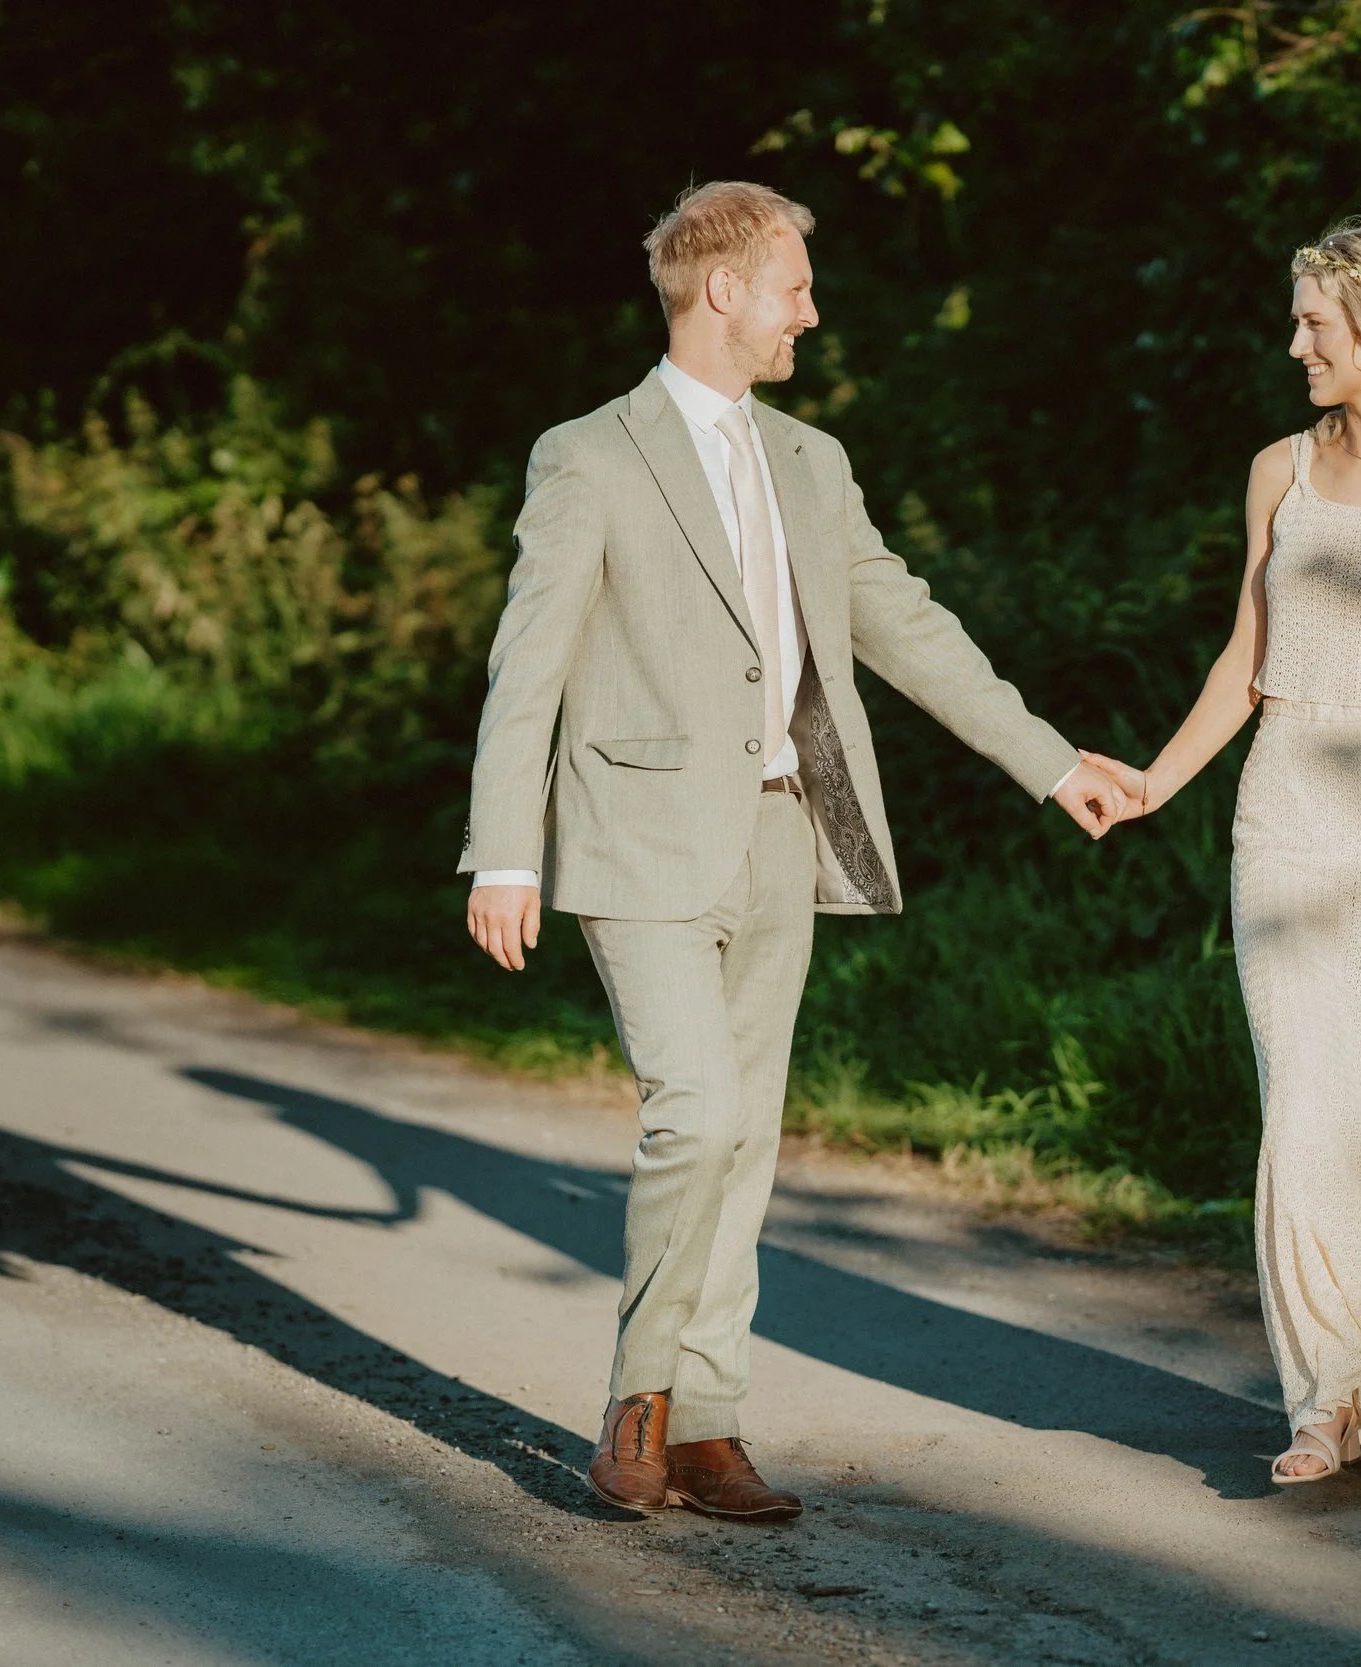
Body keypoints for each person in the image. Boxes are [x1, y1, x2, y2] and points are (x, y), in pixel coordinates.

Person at [457, 180, 1130, 1523]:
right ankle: (639, 1399)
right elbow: (527, 660)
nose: (809, 315)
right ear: (726, 289)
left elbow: (909, 625)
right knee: (692, 1108)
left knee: (748, 1132)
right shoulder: (587, 454)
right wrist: (502, 851)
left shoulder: (816, 462)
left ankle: (708, 1421)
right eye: (794, 288)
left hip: (784, 833)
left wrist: (1049, 759)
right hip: (638, 834)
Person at [1084, 220, 1361, 1490]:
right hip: (1286, 803)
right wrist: (1157, 786)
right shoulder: (1277, 469)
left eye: (1313, 326)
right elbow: (1246, 656)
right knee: (1308, 1106)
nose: (1293, 345)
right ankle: (1324, 1398)